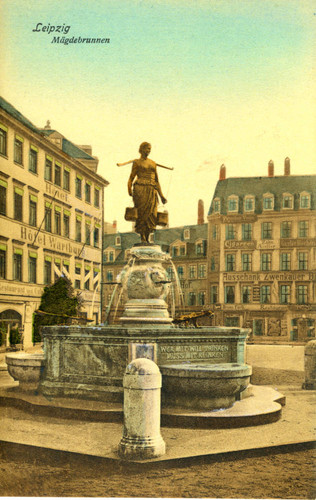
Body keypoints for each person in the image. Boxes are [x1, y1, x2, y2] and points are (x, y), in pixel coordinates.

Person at [128, 142, 167, 243]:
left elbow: (157, 181)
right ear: (141, 149)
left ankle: (148, 236)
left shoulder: (153, 163)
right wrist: (129, 189)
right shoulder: (137, 162)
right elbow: (131, 177)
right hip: (140, 189)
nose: (148, 151)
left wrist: (161, 196)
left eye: (150, 149)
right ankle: (142, 237)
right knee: (141, 214)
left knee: (152, 214)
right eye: (147, 149)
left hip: (151, 189)